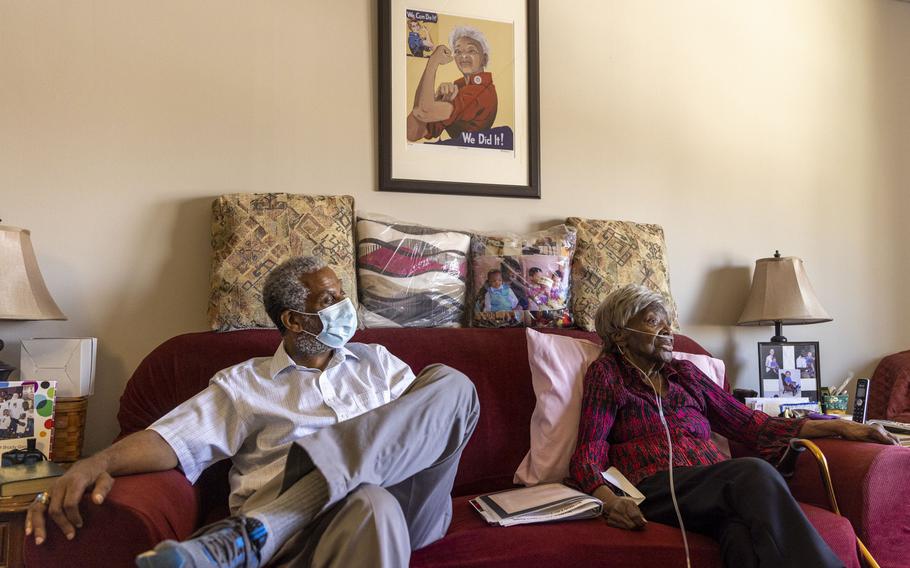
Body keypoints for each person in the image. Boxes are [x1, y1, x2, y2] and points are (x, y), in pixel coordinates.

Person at [26, 256, 479, 568]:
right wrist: (96, 461)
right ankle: (281, 519)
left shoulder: (380, 362)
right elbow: (172, 439)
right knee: (370, 501)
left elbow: (431, 425)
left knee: (454, 385)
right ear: (293, 321)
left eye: (342, 296)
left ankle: (257, 531)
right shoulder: (245, 384)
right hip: (320, 535)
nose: (345, 308)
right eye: (328, 301)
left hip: (411, 507)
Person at [569, 284, 899, 568]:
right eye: (654, 322)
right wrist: (611, 502)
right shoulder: (608, 374)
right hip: (653, 487)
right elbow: (588, 453)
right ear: (620, 335)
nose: (668, 332)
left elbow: (751, 425)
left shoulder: (686, 375)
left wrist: (840, 427)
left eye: (669, 323)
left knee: (740, 537)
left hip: (713, 487)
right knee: (752, 473)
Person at [406, 25, 498, 142]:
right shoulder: (459, 87)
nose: (463, 56)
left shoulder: (480, 91)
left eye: (471, 50)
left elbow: (424, 111)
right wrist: (437, 100)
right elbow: (411, 132)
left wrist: (433, 62)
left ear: (484, 59)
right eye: (458, 51)